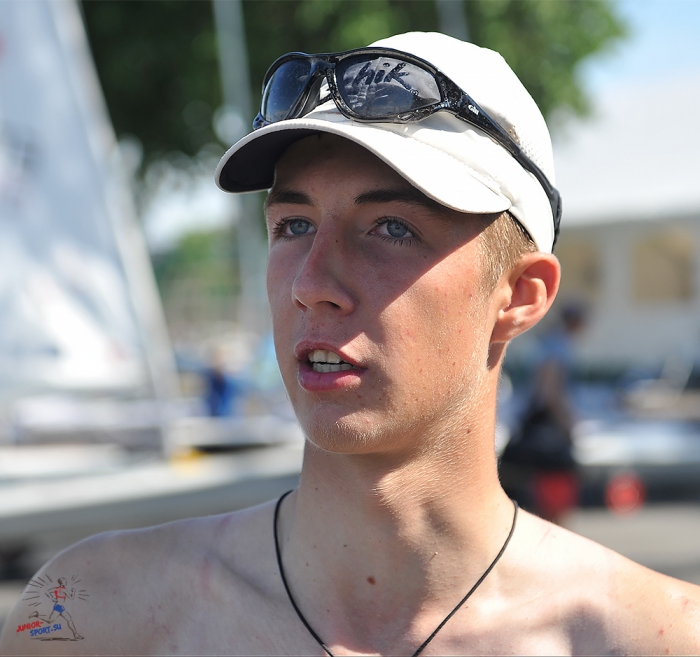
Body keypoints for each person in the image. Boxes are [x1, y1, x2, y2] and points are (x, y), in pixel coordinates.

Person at [2, 32, 698, 656]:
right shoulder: (87, 613)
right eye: (293, 225)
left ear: (518, 296)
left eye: (391, 228)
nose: (311, 284)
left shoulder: (656, 637)